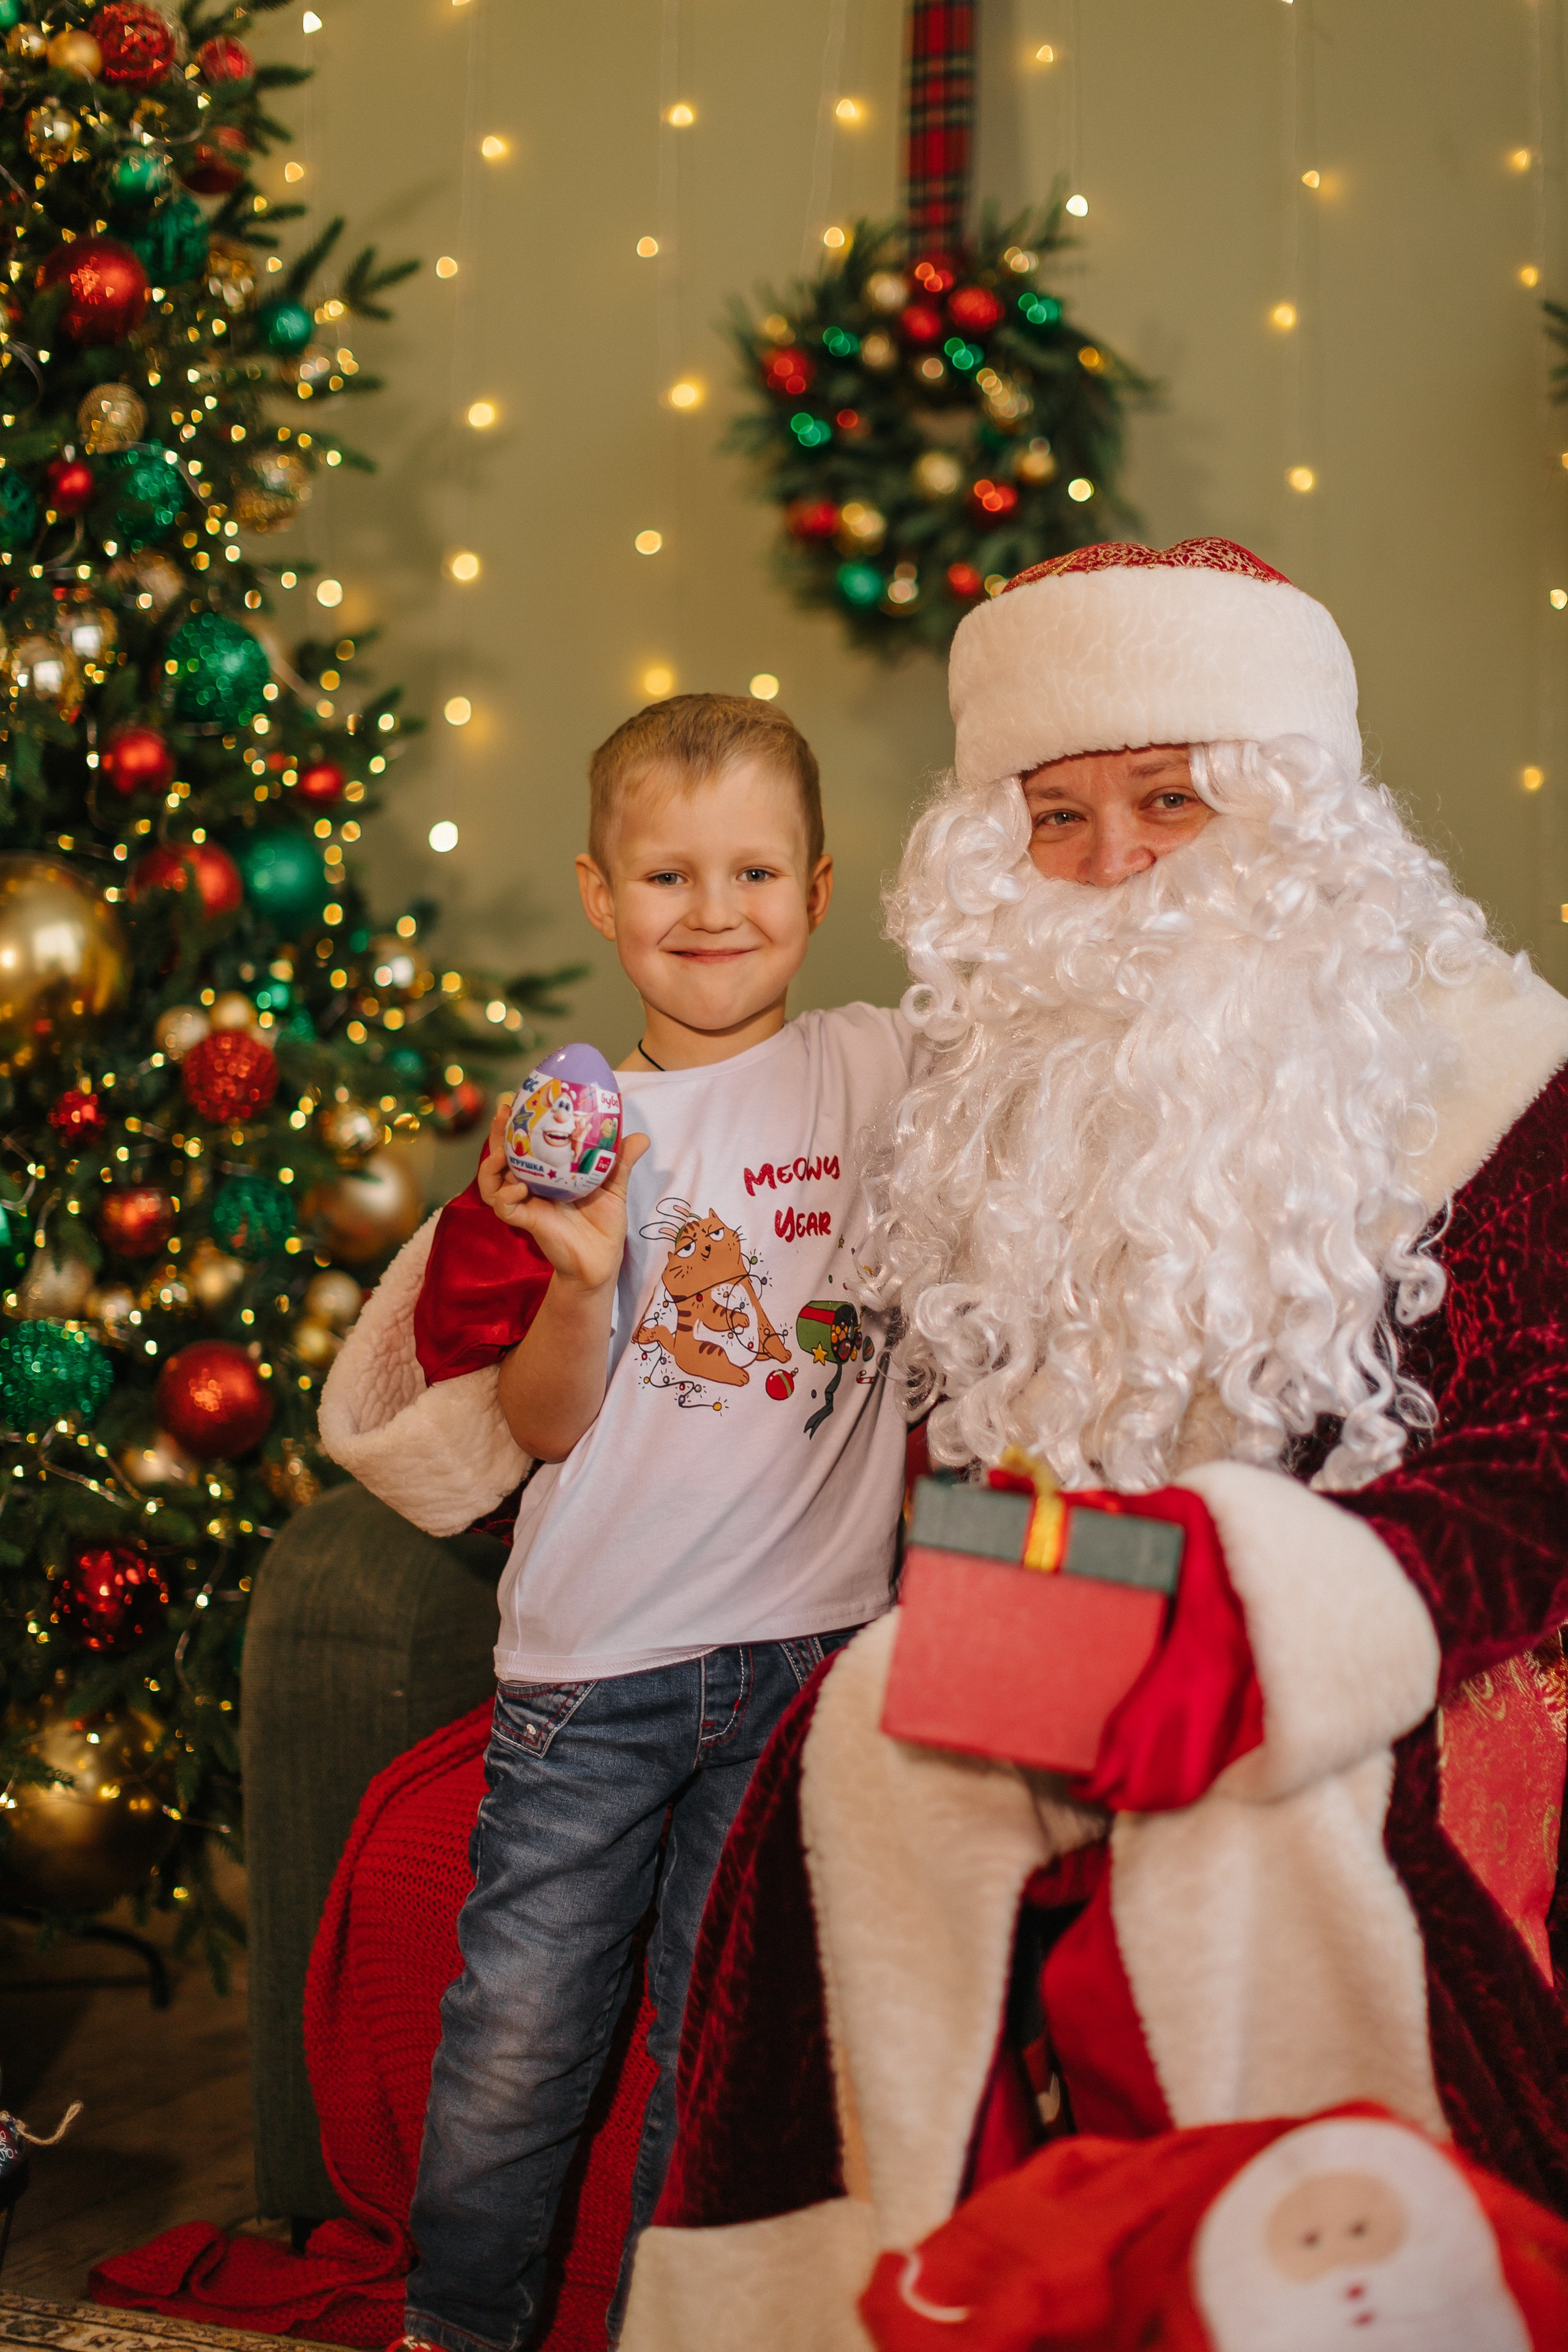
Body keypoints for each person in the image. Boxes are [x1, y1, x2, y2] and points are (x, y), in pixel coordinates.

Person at [613, 540, 1568, 2351]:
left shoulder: (1512, 1072)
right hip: (1082, 1614)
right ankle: (905, 2288)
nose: (1115, 862)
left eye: (1173, 801)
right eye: (1060, 817)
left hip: (1410, 1639)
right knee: (874, 1748)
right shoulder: (993, 1099)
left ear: (1294, 812)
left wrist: (1259, 1614)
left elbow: (1543, 1459)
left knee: (1250, 1826)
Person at [319, 691, 914, 2350]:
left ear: (817, 884)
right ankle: (461, 2323)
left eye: (754, 873)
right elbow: (542, 1424)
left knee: (717, 2049)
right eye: (667, 878)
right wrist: (580, 1278)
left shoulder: (875, 1065)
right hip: (593, 1669)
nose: (713, 914)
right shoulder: (567, 1138)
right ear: (599, 894)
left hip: (805, 1666)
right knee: (519, 2028)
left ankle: (680, 2326)